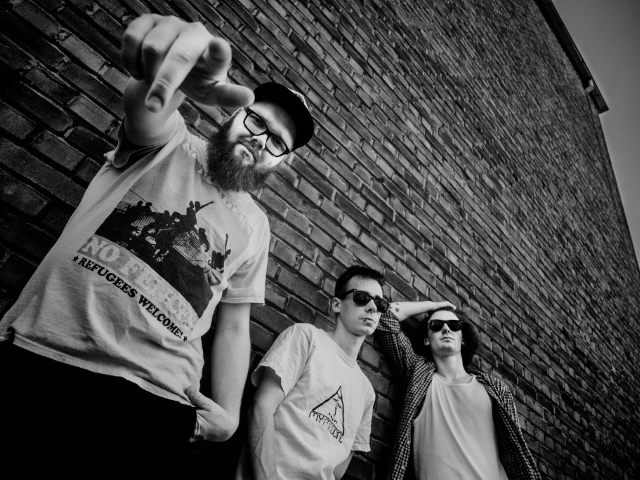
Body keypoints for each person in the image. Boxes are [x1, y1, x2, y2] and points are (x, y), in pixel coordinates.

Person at [0, 14, 314, 473]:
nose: (260, 140)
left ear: (282, 162)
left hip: (161, 402)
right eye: (256, 121)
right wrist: (166, 79)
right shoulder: (171, 140)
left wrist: (228, 416)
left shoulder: (257, 226)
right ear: (233, 114)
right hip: (50, 353)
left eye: (278, 143)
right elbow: (146, 108)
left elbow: (233, 325)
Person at [236, 266, 388, 480]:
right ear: (337, 304)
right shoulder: (306, 338)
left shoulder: (367, 393)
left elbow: (338, 470)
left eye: (380, 303)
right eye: (362, 297)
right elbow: (260, 409)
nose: (372, 307)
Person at [376, 302, 541, 479]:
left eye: (454, 325)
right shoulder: (418, 375)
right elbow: (385, 316)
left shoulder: (495, 389)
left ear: (463, 338)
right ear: (426, 339)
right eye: (436, 325)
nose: (446, 329)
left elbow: (515, 451)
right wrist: (434, 305)